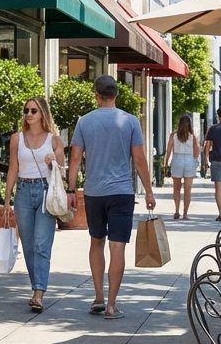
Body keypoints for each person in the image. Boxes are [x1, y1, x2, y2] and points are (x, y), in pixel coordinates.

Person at [66, 75, 155, 321]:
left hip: (94, 192)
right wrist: (148, 190)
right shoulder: (130, 121)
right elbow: (139, 160)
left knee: (96, 242)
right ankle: (112, 305)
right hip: (122, 192)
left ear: (96, 94)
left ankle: (98, 297)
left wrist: (71, 190)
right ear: (116, 94)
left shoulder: (84, 122)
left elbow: (74, 159)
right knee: (118, 247)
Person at [3, 95, 65, 313]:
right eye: (26, 110)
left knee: (41, 243)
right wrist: (7, 196)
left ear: (43, 114)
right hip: (23, 191)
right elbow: (13, 167)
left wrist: (53, 160)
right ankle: (36, 286)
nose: (28, 114)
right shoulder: (16, 139)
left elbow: (60, 168)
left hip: (46, 191)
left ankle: (38, 292)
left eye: (33, 111)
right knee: (28, 245)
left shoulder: (54, 140)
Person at [163, 113, 199, 220]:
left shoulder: (173, 136)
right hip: (189, 160)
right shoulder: (193, 137)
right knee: (187, 190)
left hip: (177, 160)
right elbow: (197, 151)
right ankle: (185, 213)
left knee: (176, 189)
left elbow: (168, 150)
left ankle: (177, 211)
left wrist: (166, 163)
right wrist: (195, 161)